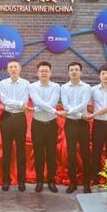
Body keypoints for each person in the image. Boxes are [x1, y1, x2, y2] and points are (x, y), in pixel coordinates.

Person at [28, 61, 62, 193]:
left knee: (52, 154)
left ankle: (51, 181)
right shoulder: (32, 86)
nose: (44, 73)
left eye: (46, 71)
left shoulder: (56, 86)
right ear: (38, 73)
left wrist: (37, 108)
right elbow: (38, 102)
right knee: (39, 154)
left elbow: (52, 103)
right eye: (42, 71)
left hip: (51, 124)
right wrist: (54, 111)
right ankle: (39, 181)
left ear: (50, 73)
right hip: (37, 125)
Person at [60, 61, 93, 193]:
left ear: (81, 72)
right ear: (68, 72)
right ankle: (72, 183)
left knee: (85, 154)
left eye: (76, 69)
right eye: (71, 70)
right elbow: (65, 105)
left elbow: (84, 104)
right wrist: (79, 115)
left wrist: (70, 112)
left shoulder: (86, 87)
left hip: (83, 125)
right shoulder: (64, 87)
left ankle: (86, 184)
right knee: (71, 154)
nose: (74, 72)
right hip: (70, 124)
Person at [0, 59, 30, 191]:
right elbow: (4, 100)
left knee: (21, 151)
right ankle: (6, 180)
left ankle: (21, 180)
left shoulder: (26, 83)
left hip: (20, 119)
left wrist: (17, 104)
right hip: (6, 118)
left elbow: (25, 100)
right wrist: (19, 104)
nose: (13, 69)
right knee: (6, 150)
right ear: (7, 70)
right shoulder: (3, 83)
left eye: (15, 67)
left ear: (19, 69)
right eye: (10, 67)